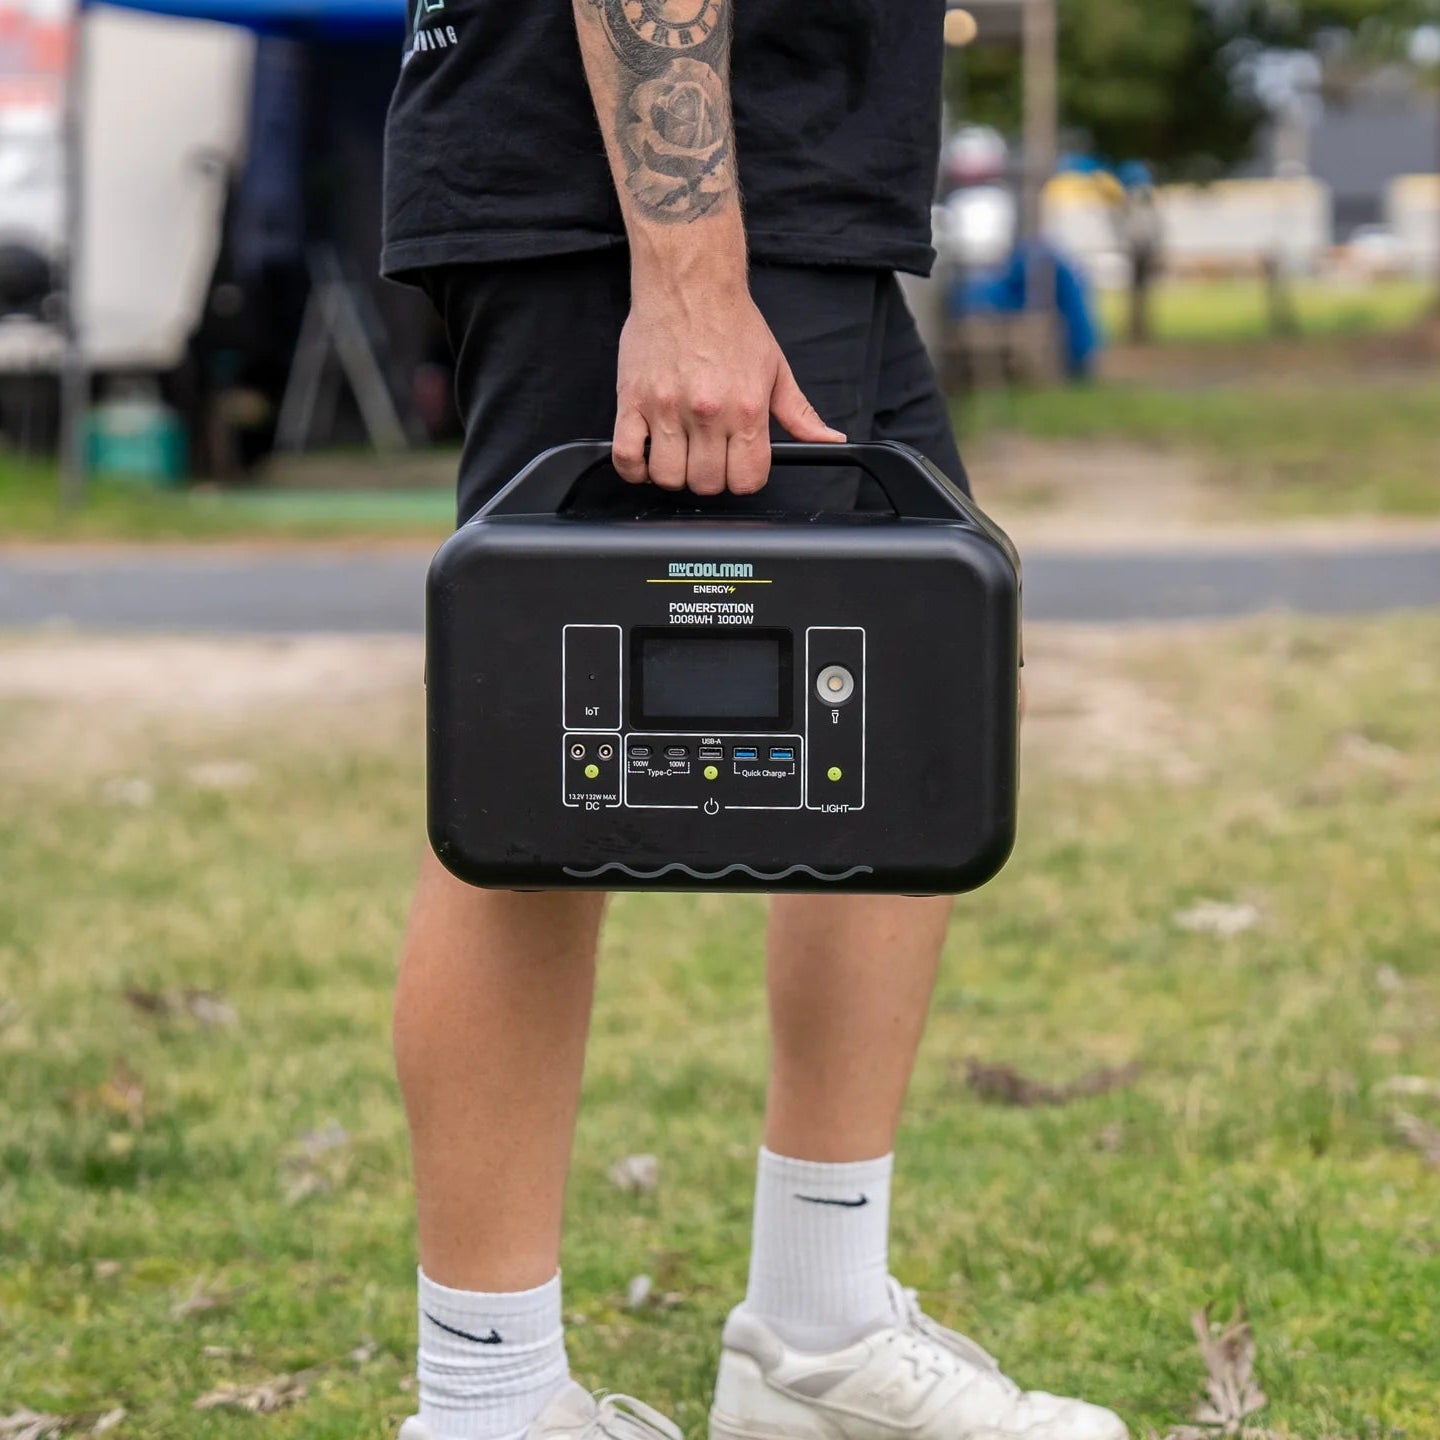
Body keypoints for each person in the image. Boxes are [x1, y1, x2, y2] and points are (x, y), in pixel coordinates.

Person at [381, 4, 1126, 1440]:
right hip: (653, 189)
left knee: (921, 708)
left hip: (794, 180)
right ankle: (488, 1402)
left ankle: (815, 1338)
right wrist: (689, 276)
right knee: (535, 778)